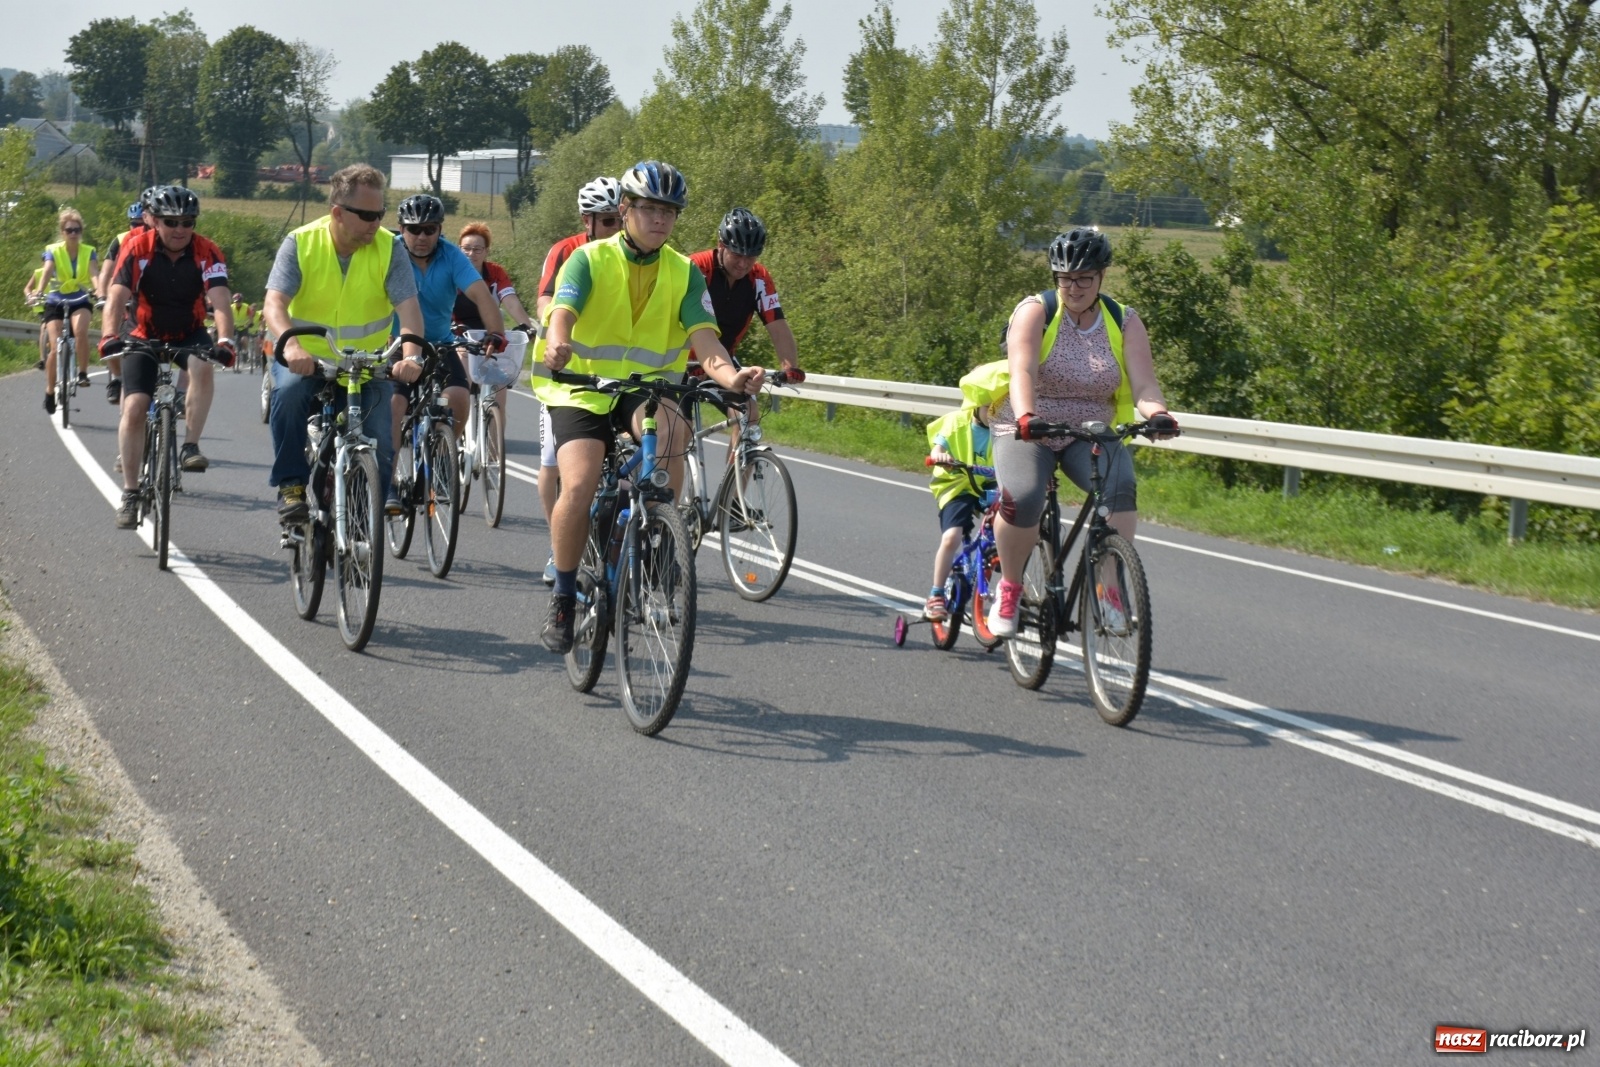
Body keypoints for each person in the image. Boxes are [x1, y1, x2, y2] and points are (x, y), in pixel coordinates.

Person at [534, 160, 764, 653]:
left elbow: (707, 343)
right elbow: (563, 312)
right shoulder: (588, 260)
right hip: (581, 387)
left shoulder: (684, 274)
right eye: (649, 209)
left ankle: (659, 533)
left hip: (642, 389)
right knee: (578, 481)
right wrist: (559, 344)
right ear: (626, 209)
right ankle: (564, 595)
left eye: (670, 212)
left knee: (673, 432)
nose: (660, 220)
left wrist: (732, 377)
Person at [985, 227, 1179, 638]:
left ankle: (1109, 592)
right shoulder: (1035, 310)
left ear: (1101, 276)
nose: (1073, 287)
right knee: (1023, 497)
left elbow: (1144, 384)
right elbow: (1022, 370)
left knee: (1120, 487)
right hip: (1028, 424)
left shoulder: (1123, 320)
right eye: (1065, 278)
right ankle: (1010, 586)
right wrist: (1026, 415)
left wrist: (1158, 413)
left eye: (1084, 278)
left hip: (1087, 429)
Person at [262, 164, 426, 527]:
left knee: (382, 442)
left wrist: (411, 355)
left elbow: (410, 312)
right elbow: (274, 304)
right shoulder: (301, 242)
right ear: (337, 212)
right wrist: (291, 348)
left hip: (367, 365)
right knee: (287, 395)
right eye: (367, 215)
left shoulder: (390, 248)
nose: (376, 223)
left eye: (380, 214)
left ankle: (359, 522)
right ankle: (290, 486)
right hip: (305, 359)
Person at [98, 186, 237, 528]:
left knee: (203, 365)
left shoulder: (207, 251)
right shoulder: (136, 247)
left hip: (189, 329)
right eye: (171, 221)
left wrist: (225, 339)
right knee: (133, 408)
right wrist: (109, 335)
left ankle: (190, 446)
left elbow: (220, 301)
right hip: (144, 332)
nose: (180, 229)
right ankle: (130, 493)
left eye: (187, 222)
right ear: (155, 222)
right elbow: (116, 299)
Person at [386, 194, 506, 513]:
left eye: (430, 229)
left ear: (440, 230)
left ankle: (440, 458)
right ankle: (388, 482)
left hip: (438, 342)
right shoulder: (388, 253)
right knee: (395, 405)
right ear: (401, 229)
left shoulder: (453, 255)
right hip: (394, 344)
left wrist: (496, 333)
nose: (422, 237)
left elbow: (482, 296)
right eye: (414, 229)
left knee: (458, 396)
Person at [532, 176, 624, 584]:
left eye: (619, 220)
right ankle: (560, 550)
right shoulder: (566, 251)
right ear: (587, 221)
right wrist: (559, 333)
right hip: (567, 375)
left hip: (614, 376)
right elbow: (546, 298)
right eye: (607, 221)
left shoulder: (627, 254)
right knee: (555, 466)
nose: (615, 230)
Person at [688, 207, 801, 441]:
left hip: (723, 362)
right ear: (721, 245)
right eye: (737, 254)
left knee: (749, 419)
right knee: (678, 434)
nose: (743, 263)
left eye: (751, 256)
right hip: (680, 360)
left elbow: (777, 325)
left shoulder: (758, 278)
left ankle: (737, 473)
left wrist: (789, 366)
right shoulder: (695, 268)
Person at [925, 403, 996, 620]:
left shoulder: (1003, 428)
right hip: (957, 485)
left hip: (990, 486)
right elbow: (938, 448)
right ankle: (936, 594)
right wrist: (941, 456)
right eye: (989, 408)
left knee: (1010, 534)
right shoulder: (957, 421)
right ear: (976, 405)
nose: (995, 414)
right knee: (952, 537)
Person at [37, 208, 99, 415]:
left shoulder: (88, 250)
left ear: (81, 231)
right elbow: (46, 271)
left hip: (80, 298)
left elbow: (94, 274)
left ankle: (82, 373)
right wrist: (38, 291)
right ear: (62, 232)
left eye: (77, 230)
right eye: (69, 230)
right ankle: (49, 390)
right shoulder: (52, 250)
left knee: (80, 330)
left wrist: (99, 292)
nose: (73, 233)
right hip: (55, 300)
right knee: (54, 347)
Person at [96, 200, 148, 404]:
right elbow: (105, 272)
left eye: (140, 224)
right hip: (121, 292)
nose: (137, 228)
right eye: (133, 224)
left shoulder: (157, 239)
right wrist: (102, 296)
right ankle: (117, 378)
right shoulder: (120, 240)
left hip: (145, 297)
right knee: (110, 334)